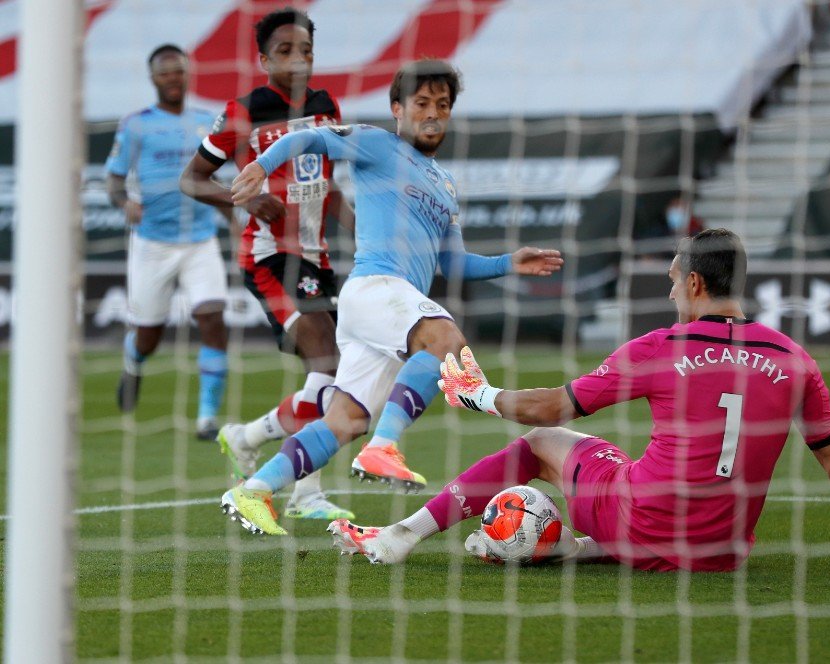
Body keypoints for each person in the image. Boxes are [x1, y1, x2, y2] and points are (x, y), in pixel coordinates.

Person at [326, 229, 830, 573]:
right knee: (631, 460)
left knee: (542, 446)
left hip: (642, 528)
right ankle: (573, 546)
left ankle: (400, 538)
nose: (671, 287)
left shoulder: (662, 345)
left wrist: (480, 394)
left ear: (697, 283)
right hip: (721, 553)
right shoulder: (794, 358)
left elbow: (552, 410)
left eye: (676, 278)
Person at [219, 59, 565, 536]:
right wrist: (261, 165)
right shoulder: (377, 143)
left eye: (442, 106)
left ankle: (253, 489)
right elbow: (309, 139)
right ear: (397, 109)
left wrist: (509, 262)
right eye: (422, 103)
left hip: (387, 312)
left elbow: (454, 264)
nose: (432, 114)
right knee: (447, 344)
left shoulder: (445, 185)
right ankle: (384, 447)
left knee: (344, 420)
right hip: (377, 289)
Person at [180, 7, 355, 521]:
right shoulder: (243, 111)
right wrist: (245, 200)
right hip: (269, 257)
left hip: (317, 257)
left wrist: (360, 229)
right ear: (262, 60)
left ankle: (252, 443)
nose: (298, 61)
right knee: (328, 362)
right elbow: (192, 178)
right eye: (285, 51)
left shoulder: (327, 106)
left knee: (327, 378)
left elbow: (328, 183)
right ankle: (298, 489)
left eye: (306, 51)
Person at [106, 44, 233, 440]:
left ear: (187, 74)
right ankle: (134, 363)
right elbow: (113, 179)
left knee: (212, 320)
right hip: (152, 244)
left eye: (178, 71)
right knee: (149, 334)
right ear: (153, 78)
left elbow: (219, 179)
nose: (172, 78)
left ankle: (207, 419)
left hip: (200, 241)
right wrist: (125, 202)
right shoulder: (136, 124)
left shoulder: (206, 122)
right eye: (164, 72)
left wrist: (233, 215)